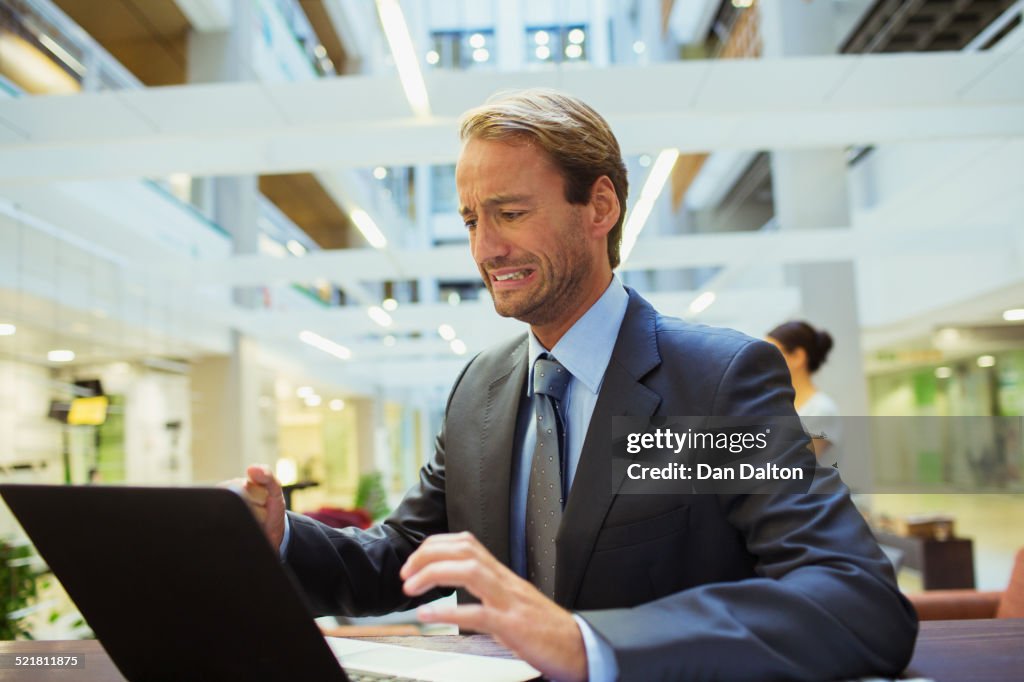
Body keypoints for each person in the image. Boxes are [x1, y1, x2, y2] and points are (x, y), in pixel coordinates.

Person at [235, 89, 916, 681]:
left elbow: (851, 598)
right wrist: (279, 538)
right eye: (473, 219)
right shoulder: (481, 389)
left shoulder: (712, 383)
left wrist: (592, 645)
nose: (484, 249)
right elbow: (401, 560)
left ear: (600, 207)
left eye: (510, 212)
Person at [766, 320, 842, 465]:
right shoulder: (780, 405)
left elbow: (793, 465)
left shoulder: (820, 410)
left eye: (771, 353)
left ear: (798, 357)